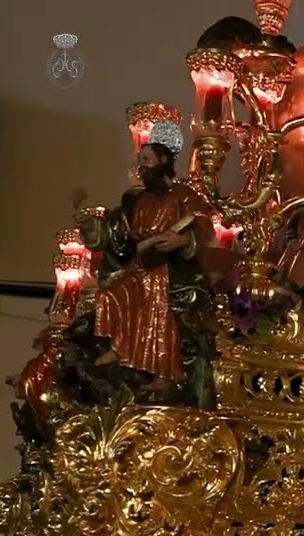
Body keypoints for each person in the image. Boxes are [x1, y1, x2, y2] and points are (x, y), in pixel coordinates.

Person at [93, 127, 215, 391]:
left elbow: (204, 225)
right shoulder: (141, 199)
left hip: (167, 267)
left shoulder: (182, 194)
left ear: (163, 162)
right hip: (141, 261)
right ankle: (119, 347)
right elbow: (123, 232)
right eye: (140, 163)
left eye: (147, 161)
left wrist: (183, 240)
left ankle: (165, 374)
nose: (142, 167)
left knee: (158, 309)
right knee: (109, 294)